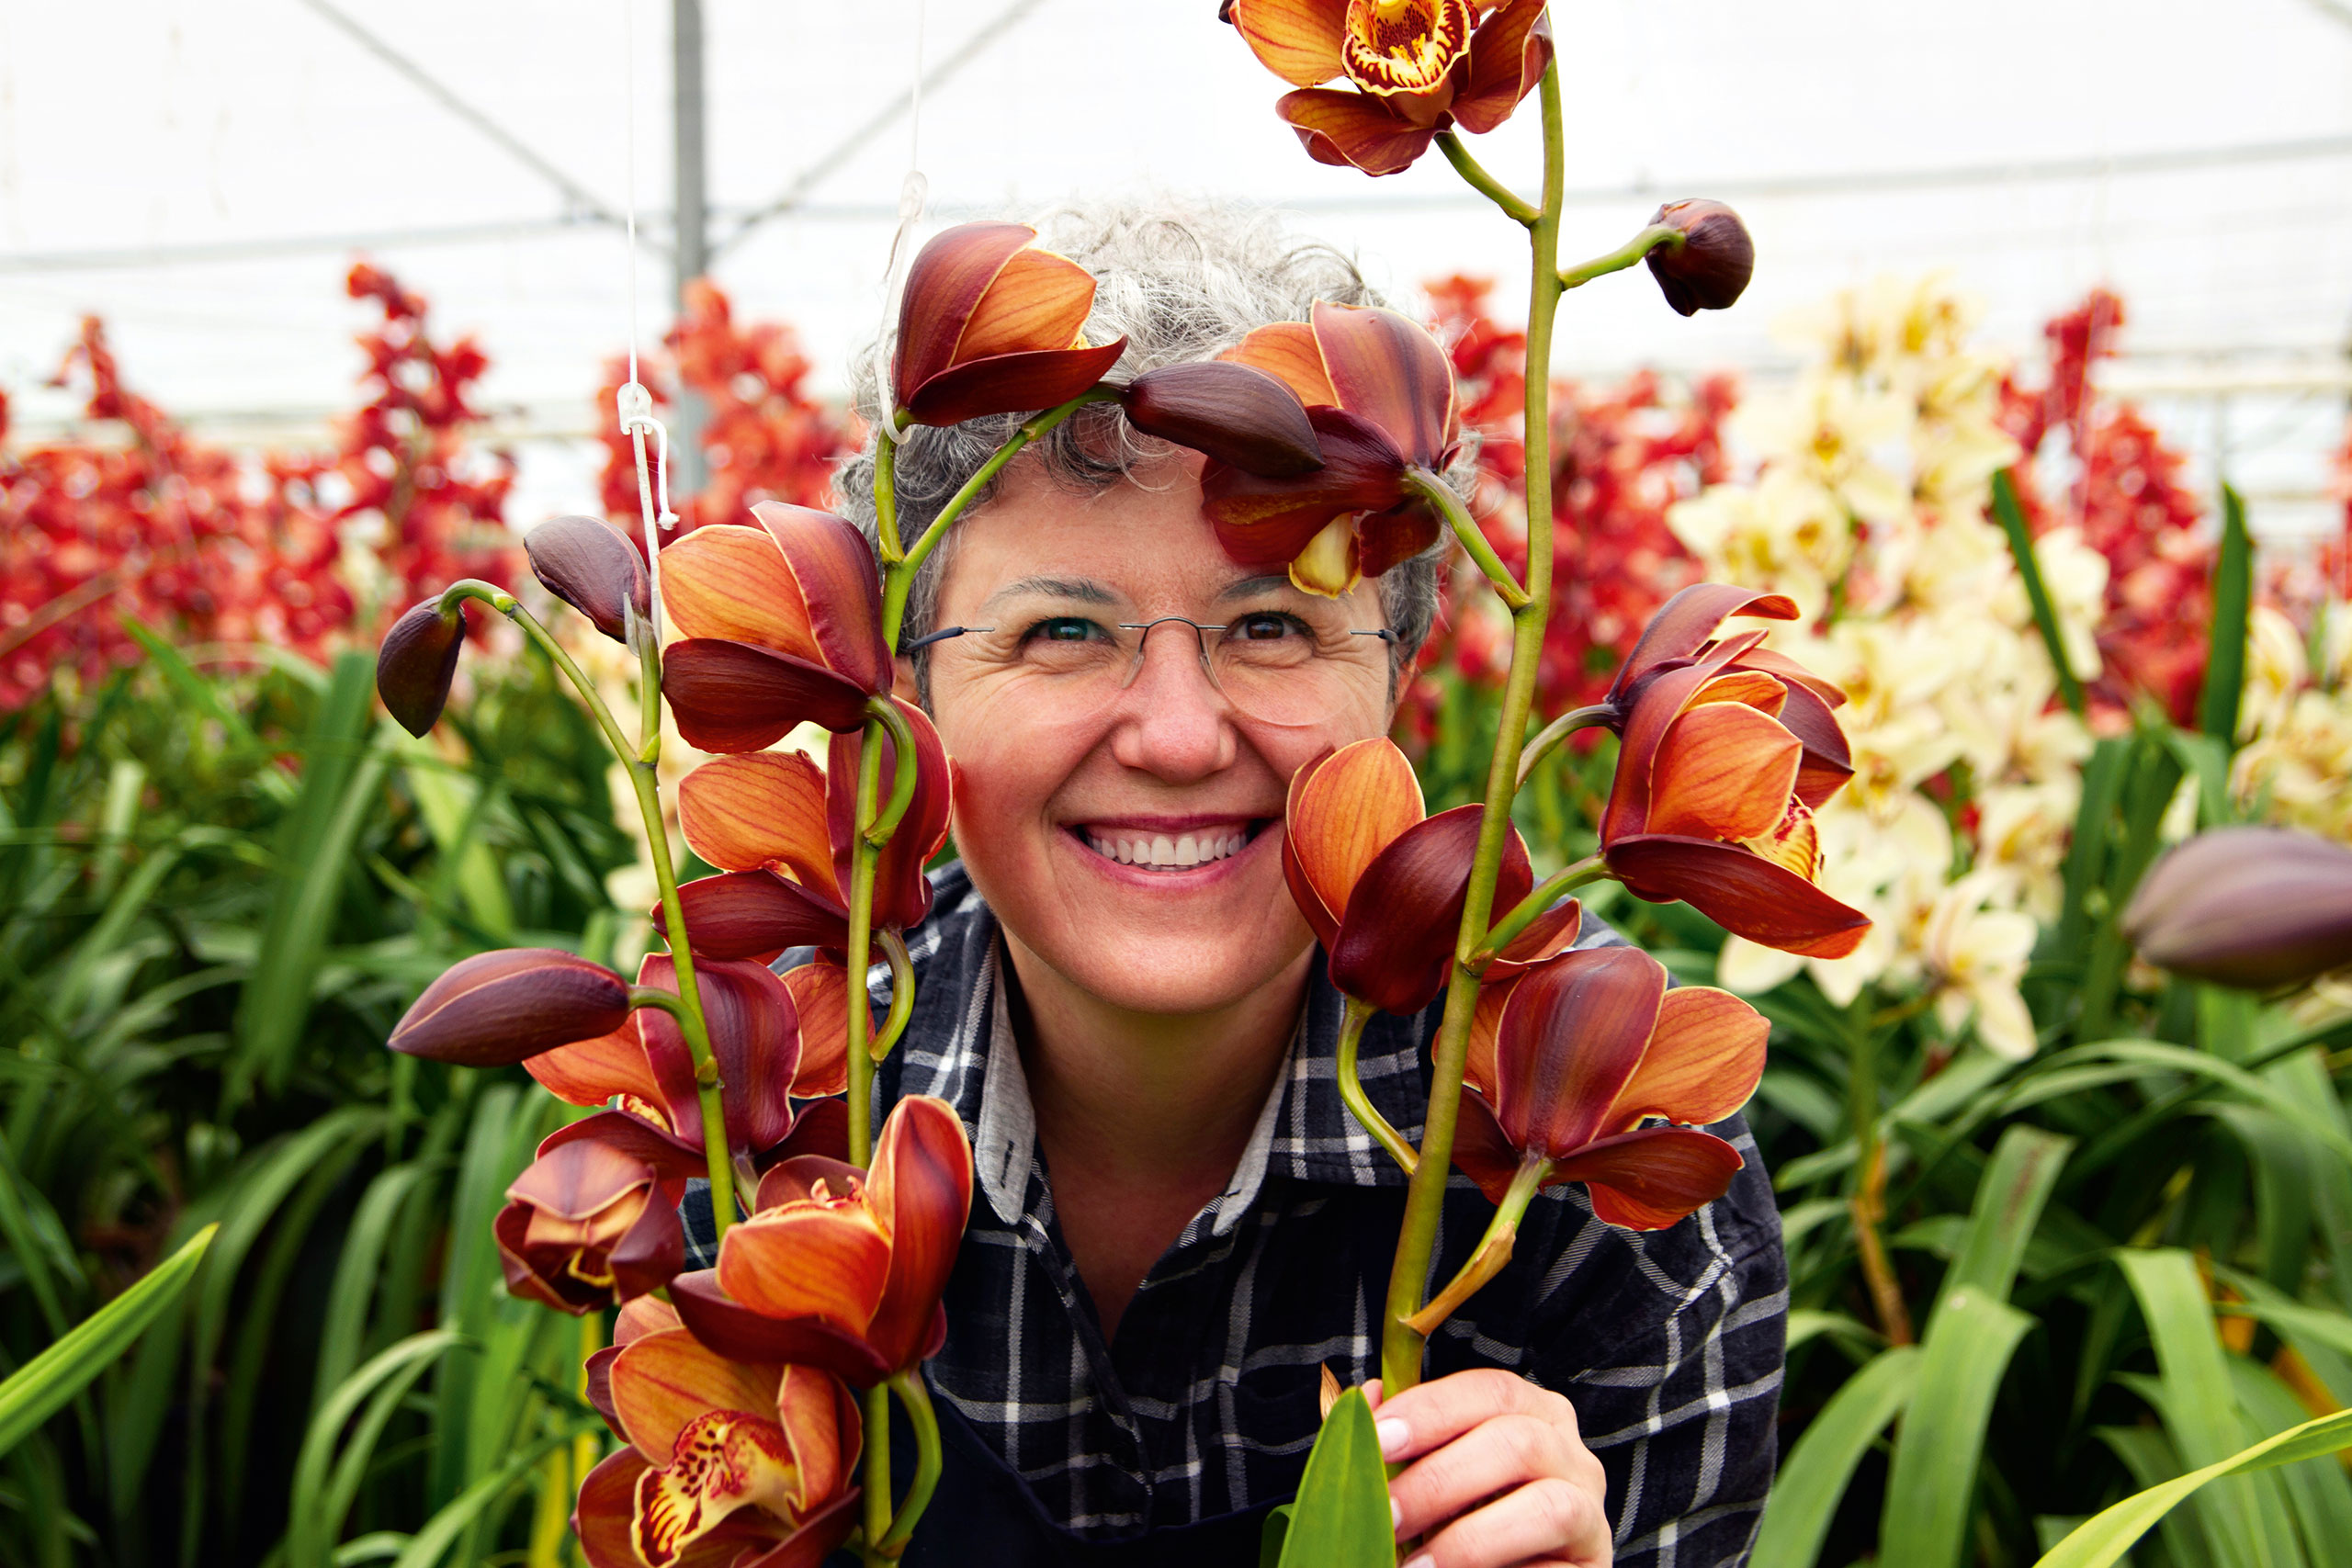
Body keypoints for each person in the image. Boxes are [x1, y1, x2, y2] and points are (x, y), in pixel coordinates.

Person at [690, 199, 1785, 1567]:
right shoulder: (766, 1116)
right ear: (903, 696)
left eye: (1270, 625)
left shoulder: (1609, 1156)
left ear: (1398, 674)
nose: (1176, 733)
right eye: (1061, 631)